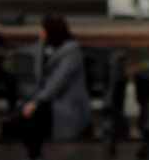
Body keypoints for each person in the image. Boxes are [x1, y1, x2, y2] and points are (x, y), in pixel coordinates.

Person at [10, 14, 90, 160]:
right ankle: (35, 154)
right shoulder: (43, 47)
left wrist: (35, 102)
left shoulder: (71, 53)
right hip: (44, 99)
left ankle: (36, 155)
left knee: (30, 117)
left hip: (64, 103)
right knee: (21, 117)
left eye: (43, 30)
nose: (40, 33)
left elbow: (57, 83)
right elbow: (33, 65)